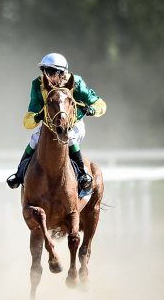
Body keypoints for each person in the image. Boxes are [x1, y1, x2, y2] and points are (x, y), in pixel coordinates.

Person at [6, 53, 107, 197]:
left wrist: (92, 109)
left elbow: (100, 103)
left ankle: (83, 175)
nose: (47, 76)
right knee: (34, 139)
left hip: (74, 124)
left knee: (70, 136)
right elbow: (28, 119)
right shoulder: (38, 85)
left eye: (51, 72)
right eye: (45, 72)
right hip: (50, 126)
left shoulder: (76, 83)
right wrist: (37, 116)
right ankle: (19, 174)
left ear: (62, 73)